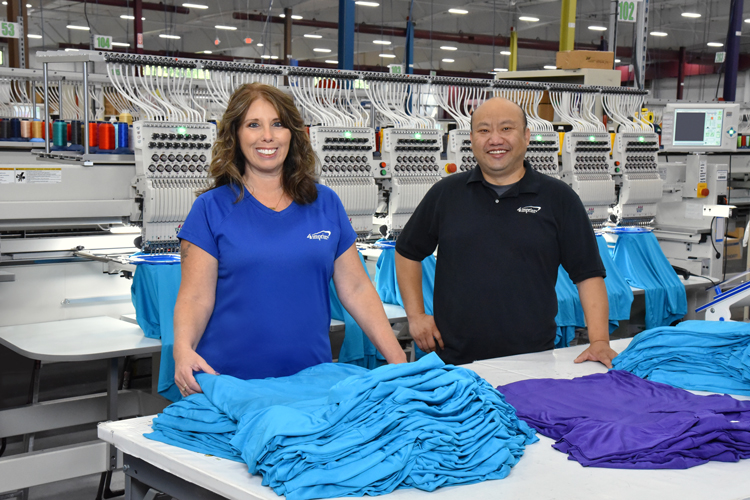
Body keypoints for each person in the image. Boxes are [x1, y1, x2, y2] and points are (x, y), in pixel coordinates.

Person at [173, 83, 407, 397]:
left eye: (278, 124)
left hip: (312, 382)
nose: (267, 136)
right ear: (236, 135)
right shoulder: (211, 209)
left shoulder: (325, 203)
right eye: (253, 125)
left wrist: (396, 359)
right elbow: (195, 296)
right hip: (230, 383)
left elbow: (356, 287)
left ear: (293, 134)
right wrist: (183, 350)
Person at [395, 97, 617, 368]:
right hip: (453, 361)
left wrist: (599, 342)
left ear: (526, 136)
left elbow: (588, 274)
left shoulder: (559, 199)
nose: (495, 139)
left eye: (506, 129)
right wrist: (416, 315)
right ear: (472, 139)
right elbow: (407, 252)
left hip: (533, 358)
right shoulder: (446, 194)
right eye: (484, 130)